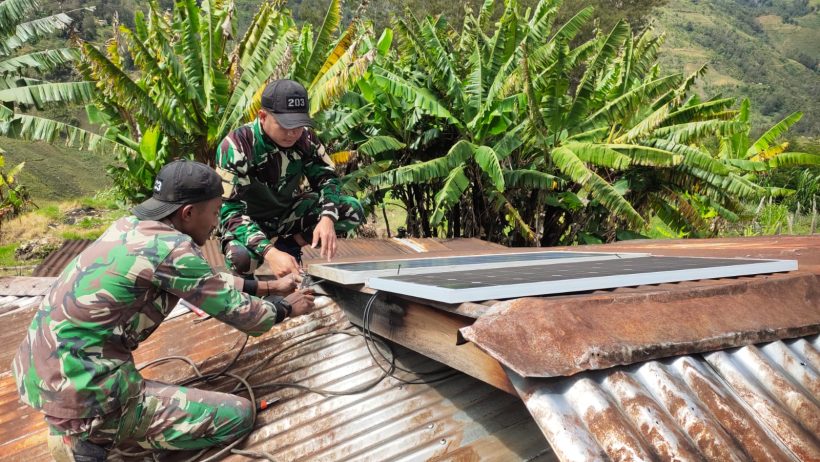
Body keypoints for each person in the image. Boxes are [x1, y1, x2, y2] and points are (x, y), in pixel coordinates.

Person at [12, 160, 315, 461]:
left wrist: (268, 287)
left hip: (44, 376)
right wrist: (286, 307)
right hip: (91, 394)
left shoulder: (131, 227)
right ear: (188, 213)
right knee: (239, 415)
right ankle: (93, 438)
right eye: (214, 212)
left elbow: (201, 280)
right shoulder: (174, 250)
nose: (215, 223)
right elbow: (250, 318)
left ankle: (78, 426)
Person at [215, 79, 364, 278]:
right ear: (262, 116)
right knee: (241, 259)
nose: (293, 133)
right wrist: (270, 252)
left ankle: (290, 246)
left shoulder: (305, 138)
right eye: (285, 125)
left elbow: (327, 178)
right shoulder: (236, 146)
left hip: (287, 214)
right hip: (249, 220)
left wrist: (328, 217)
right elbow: (228, 211)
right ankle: (253, 280)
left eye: (299, 125)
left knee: (351, 209)